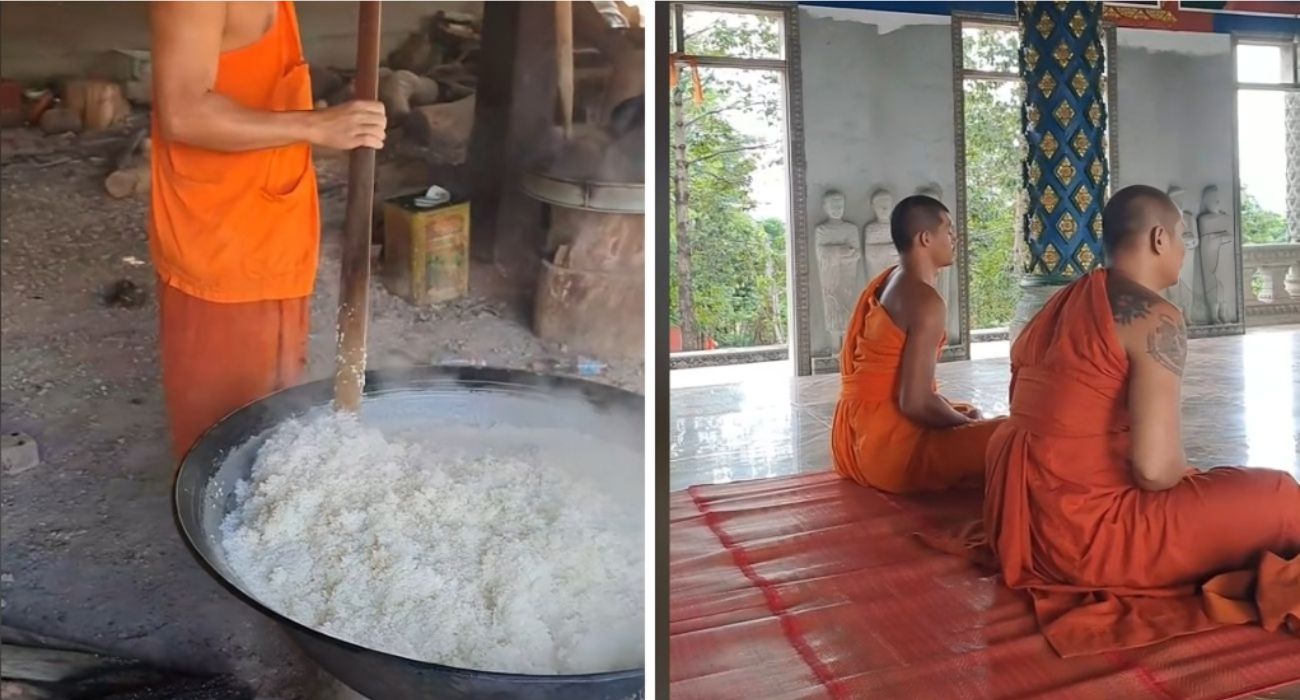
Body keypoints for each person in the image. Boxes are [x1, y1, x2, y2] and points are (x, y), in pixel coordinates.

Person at [979, 184, 1299, 656]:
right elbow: (1154, 472)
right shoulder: (1154, 317)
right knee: (1281, 495)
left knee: (1225, 487)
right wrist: (1196, 486)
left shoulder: (1055, 307)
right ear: (1158, 239)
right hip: (1096, 536)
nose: (1185, 249)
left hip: (1027, 527)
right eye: (1182, 236)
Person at [150, 1, 387, 460]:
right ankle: (217, 524)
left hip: (270, 234)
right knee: (225, 437)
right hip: (223, 251)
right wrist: (316, 125)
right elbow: (184, 112)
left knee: (271, 409)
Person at [831, 195, 1005, 493]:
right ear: (925, 238)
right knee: (1011, 435)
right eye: (948, 230)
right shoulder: (926, 302)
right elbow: (915, 402)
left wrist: (962, 418)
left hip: (853, 437)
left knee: (970, 412)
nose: (955, 238)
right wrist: (965, 426)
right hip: (889, 453)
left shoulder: (892, 280)